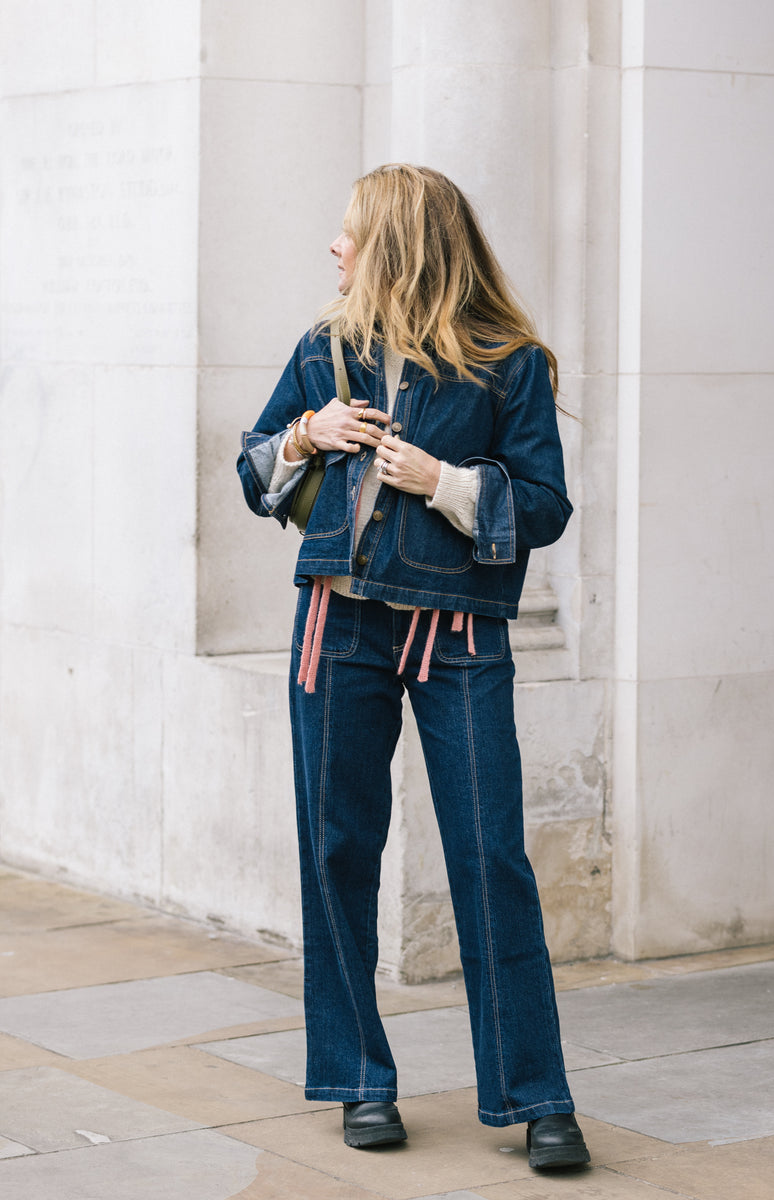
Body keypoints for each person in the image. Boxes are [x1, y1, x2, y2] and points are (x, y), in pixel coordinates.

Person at [236, 164, 590, 1172]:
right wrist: (310, 432)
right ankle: (357, 1080)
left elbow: (545, 507)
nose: (334, 248)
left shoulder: (506, 363)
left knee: (490, 856)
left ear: (398, 243)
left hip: (459, 633)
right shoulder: (324, 350)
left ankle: (536, 1097)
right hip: (337, 629)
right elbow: (254, 476)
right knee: (337, 849)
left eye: (350, 233)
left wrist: (444, 483)